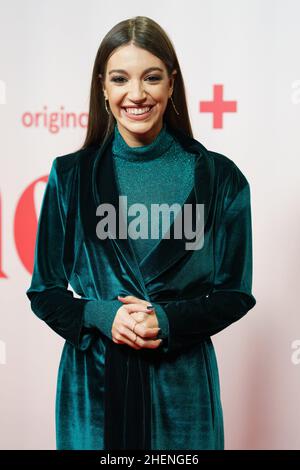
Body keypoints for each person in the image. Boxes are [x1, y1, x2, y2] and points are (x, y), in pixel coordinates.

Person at [26, 15, 256, 450]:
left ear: (171, 83)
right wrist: (100, 315)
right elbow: (45, 292)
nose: (136, 94)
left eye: (151, 77)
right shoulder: (70, 176)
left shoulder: (221, 178)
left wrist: (167, 320)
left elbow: (235, 294)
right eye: (120, 79)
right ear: (103, 87)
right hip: (93, 389)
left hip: (183, 390)